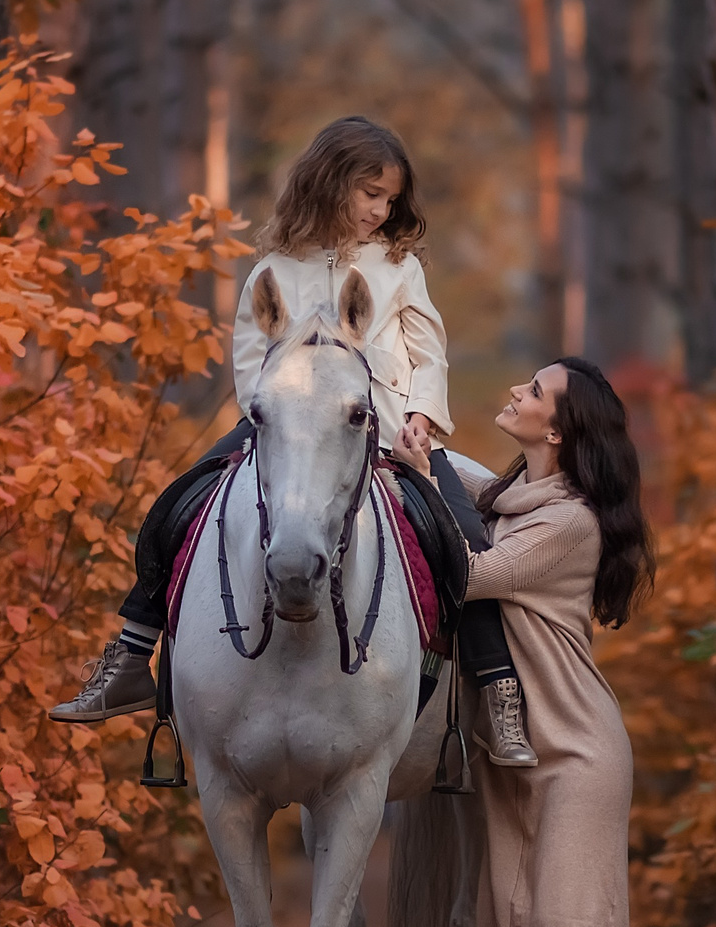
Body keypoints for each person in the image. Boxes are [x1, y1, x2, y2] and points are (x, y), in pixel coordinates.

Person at [49, 116, 537, 764]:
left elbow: (430, 352)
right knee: (176, 504)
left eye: (389, 199)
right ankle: (133, 655)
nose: (379, 209)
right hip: (282, 431)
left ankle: (500, 697)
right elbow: (251, 359)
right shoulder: (274, 269)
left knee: (464, 541)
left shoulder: (397, 268)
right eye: (369, 192)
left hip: (388, 431)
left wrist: (423, 414)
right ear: (330, 182)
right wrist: (279, 416)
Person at [392, 357, 654, 927]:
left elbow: (469, 572)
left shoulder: (571, 521)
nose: (514, 392)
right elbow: (457, 488)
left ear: (560, 431)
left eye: (535, 392)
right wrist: (415, 450)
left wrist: (427, 472)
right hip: (528, 755)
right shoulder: (513, 497)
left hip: (576, 750)